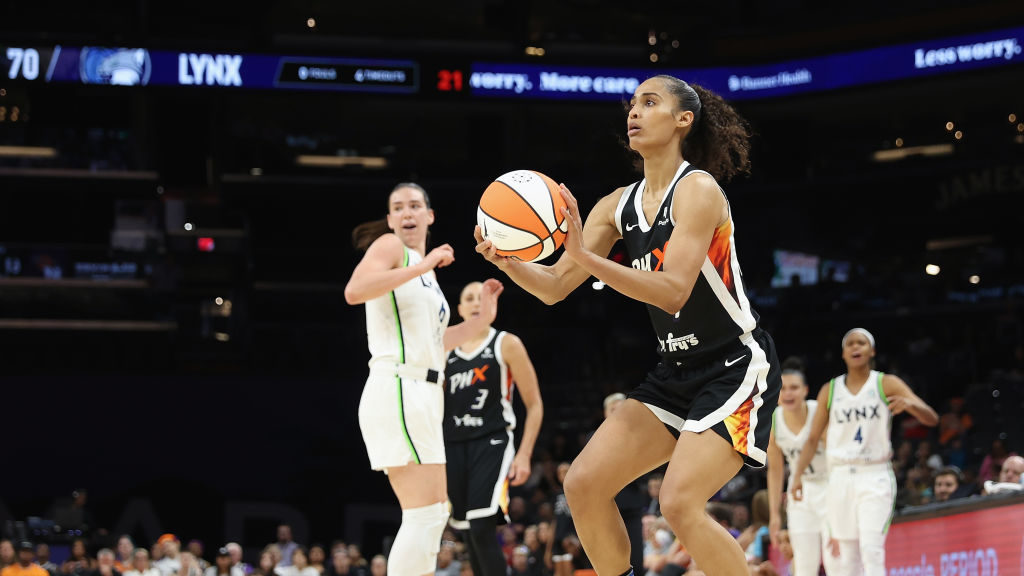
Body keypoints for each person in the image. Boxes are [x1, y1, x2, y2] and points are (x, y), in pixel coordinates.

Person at [475, 74, 780, 575]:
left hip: (735, 367)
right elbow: (553, 287)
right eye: (633, 103)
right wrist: (507, 259)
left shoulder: (698, 190)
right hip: (674, 373)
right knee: (583, 483)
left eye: (650, 102)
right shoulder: (616, 205)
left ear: (685, 119)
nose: (634, 111)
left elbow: (673, 289)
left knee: (679, 504)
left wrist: (584, 257)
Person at [345, 181, 504, 575]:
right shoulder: (392, 249)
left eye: (415, 205)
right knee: (426, 516)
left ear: (430, 215)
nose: (407, 213)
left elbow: (436, 343)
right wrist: (422, 264)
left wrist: (480, 321)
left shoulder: (425, 275)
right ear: (389, 219)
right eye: (398, 207)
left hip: (423, 391)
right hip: (399, 386)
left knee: (433, 516)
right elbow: (355, 290)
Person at [792, 328, 938, 576]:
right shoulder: (830, 389)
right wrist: (796, 476)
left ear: (872, 351)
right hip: (838, 476)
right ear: (843, 353)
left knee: (872, 549)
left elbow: (932, 418)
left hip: (874, 474)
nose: (855, 347)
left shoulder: (885, 382)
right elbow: (812, 438)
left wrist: (911, 405)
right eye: (850, 344)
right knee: (847, 557)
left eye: (861, 343)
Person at [444, 280, 544, 576]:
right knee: (467, 531)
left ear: (492, 306)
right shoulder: (444, 350)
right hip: (452, 445)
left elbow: (535, 404)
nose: (476, 303)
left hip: (493, 442)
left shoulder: (506, 343)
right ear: (459, 308)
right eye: (469, 298)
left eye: (482, 297)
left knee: (481, 525)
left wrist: (524, 455)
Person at [766, 357, 832, 576]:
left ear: (805, 390)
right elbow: (775, 471)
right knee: (803, 563)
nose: (788, 394)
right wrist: (775, 514)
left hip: (830, 485)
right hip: (800, 492)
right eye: (783, 388)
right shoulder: (774, 420)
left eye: (794, 388)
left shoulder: (819, 413)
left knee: (836, 559)